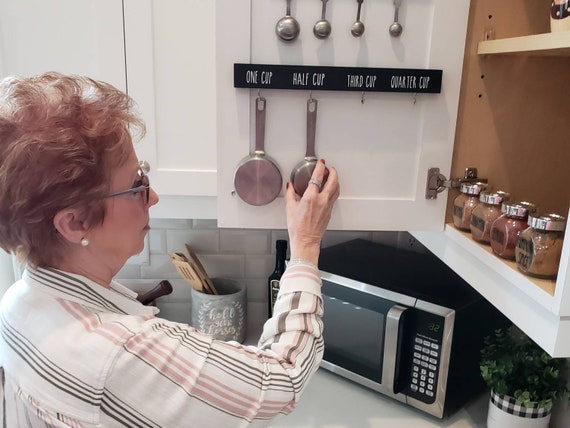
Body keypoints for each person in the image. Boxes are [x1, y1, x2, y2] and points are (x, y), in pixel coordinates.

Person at [0, 72, 340, 427]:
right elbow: (282, 377)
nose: (154, 197)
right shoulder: (120, 353)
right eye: (136, 185)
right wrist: (306, 245)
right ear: (74, 224)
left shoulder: (19, 303)